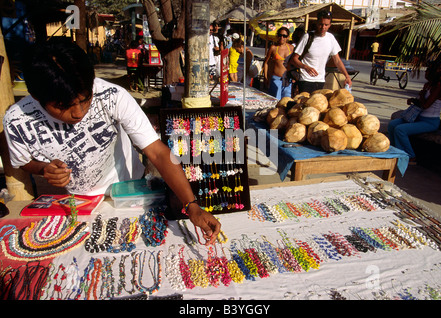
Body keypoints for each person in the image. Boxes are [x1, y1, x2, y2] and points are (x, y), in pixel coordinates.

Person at [3, 38, 221, 245]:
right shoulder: (18, 120)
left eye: (85, 100)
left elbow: (158, 152)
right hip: (80, 204)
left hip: (132, 194)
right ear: (38, 98)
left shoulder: (112, 95)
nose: (78, 113)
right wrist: (43, 169)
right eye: (63, 107)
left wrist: (191, 205)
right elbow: (23, 161)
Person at [388, 60, 441, 164]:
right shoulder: (428, 85)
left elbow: (425, 105)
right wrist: (413, 100)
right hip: (419, 118)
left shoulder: (439, 88)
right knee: (392, 125)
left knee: (400, 130)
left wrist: (423, 94)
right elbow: (421, 102)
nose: (426, 72)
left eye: (429, 70)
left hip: (430, 122)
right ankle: (395, 151)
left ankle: (410, 156)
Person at [289, 10, 352, 93]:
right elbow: (294, 59)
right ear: (317, 23)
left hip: (320, 81)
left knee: (318, 105)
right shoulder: (307, 37)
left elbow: (337, 60)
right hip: (305, 80)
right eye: (321, 24)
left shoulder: (331, 38)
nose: (323, 27)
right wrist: (306, 67)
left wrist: (347, 76)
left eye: (326, 25)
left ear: (330, 25)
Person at [263, 27, 294, 100]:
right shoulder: (273, 48)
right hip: (276, 79)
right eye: (280, 35)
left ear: (288, 37)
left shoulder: (291, 48)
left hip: (287, 79)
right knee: (275, 100)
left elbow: (294, 63)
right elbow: (266, 63)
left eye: (284, 36)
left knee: (286, 101)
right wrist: (266, 77)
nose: (282, 38)